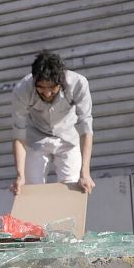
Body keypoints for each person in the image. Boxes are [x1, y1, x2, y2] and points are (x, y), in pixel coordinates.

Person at [10, 50, 95, 195]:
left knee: (71, 190)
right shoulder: (22, 90)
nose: (47, 94)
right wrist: (20, 176)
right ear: (34, 80)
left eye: (52, 89)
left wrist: (85, 173)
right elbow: (19, 135)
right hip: (36, 138)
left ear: (61, 82)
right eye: (41, 88)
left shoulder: (78, 84)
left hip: (68, 138)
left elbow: (86, 128)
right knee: (31, 190)